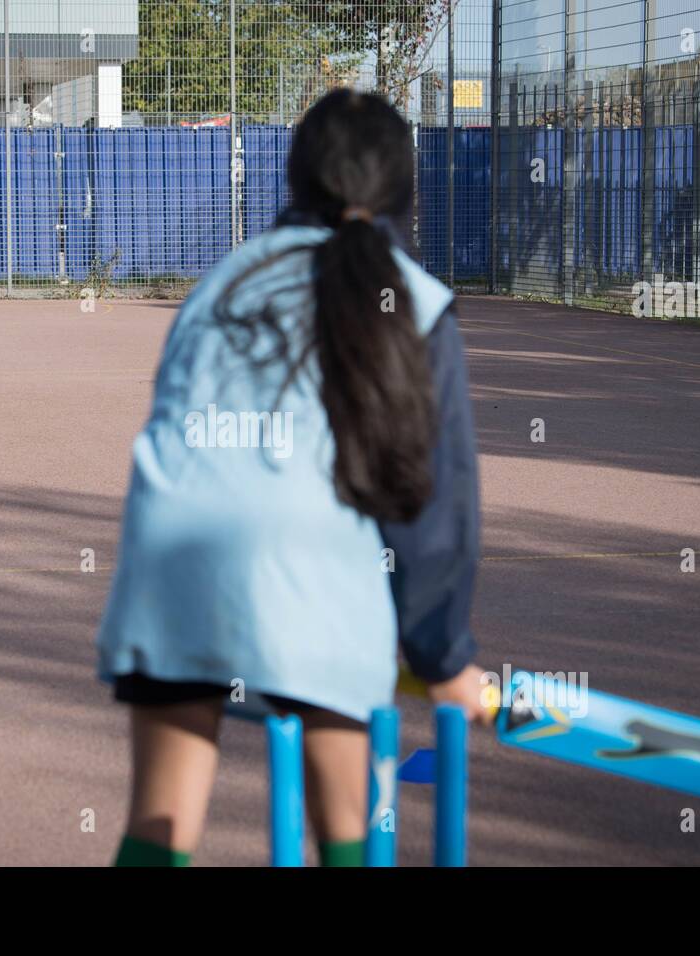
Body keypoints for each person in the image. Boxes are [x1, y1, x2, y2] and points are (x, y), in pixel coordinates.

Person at [96, 88, 493, 867]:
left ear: (294, 178)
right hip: (313, 559)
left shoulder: (225, 281)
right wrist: (443, 655)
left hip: (174, 545)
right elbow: (431, 500)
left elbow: (178, 419)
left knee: (160, 820)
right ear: (405, 193)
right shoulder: (414, 301)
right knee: (348, 821)